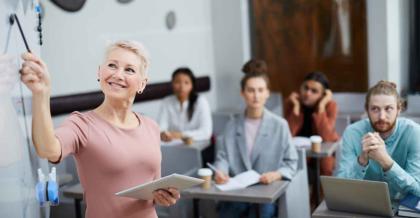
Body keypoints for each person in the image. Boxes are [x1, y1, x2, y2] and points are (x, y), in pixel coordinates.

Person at [19, 40, 180, 218]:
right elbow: (47, 149)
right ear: (99, 72)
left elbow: (154, 188)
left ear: (142, 83)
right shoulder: (81, 125)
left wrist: (164, 195)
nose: (118, 75)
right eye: (112, 65)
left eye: (129, 70)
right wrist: (41, 94)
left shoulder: (151, 126)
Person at [213, 59, 298, 218]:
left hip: (266, 193)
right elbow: (222, 157)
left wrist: (276, 174)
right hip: (238, 193)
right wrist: (221, 171)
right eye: (251, 90)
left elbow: (291, 163)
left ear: (267, 93)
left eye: (260, 90)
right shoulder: (231, 125)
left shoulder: (280, 125)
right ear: (242, 93)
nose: (256, 96)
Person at [336, 81, 420, 201]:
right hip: (362, 204)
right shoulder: (352, 132)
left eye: (388, 109)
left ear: (399, 109)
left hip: (400, 208)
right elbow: (341, 188)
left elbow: (417, 191)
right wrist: (361, 161)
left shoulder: (414, 132)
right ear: (367, 109)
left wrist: (386, 161)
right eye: (375, 109)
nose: (381, 116)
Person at [285, 72, 339, 176]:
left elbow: (327, 136)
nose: (308, 93)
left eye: (314, 91)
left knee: (326, 164)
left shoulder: (330, 105)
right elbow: (287, 135)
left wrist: (321, 107)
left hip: (321, 150)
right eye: (306, 88)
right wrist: (296, 109)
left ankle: (321, 192)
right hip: (298, 150)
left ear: (323, 95)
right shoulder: (292, 102)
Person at [158, 67, 212, 142]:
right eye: (177, 82)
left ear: (192, 86)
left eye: (186, 82)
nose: (182, 87)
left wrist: (181, 135)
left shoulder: (201, 101)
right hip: (172, 145)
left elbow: (206, 132)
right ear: (172, 84)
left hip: (197, 145)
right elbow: (161, 128)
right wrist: (163, 134)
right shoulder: (166, 102)